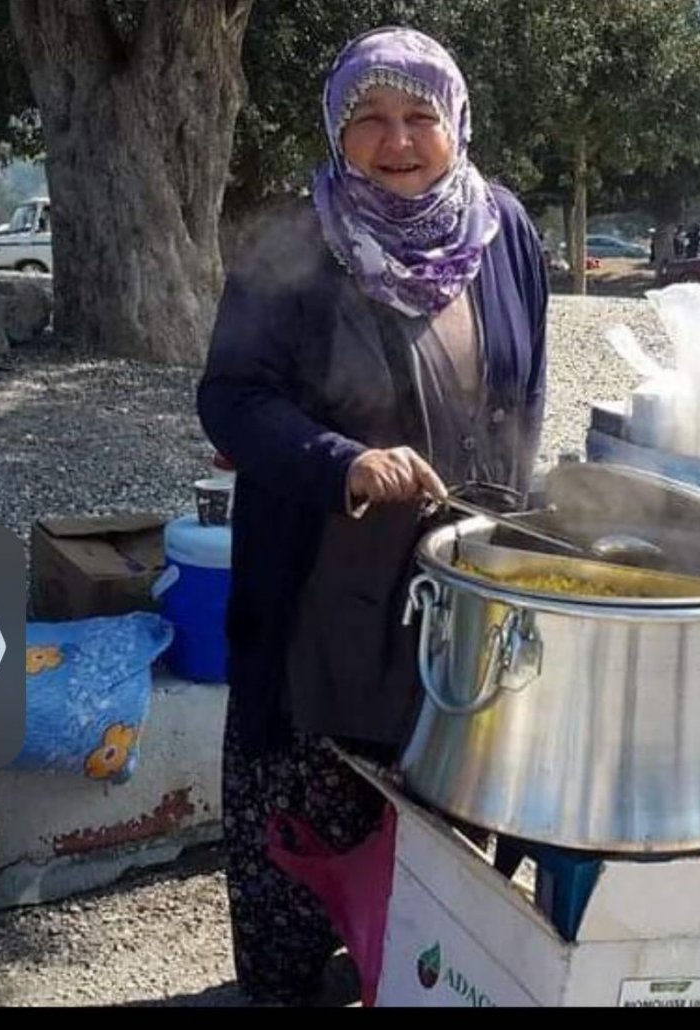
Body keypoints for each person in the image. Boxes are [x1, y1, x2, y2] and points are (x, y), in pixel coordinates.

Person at [197, 26, 548, 1007]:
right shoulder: (299, 242)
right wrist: (343, 460)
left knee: (439, 840)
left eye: (418, 116)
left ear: (456, 123)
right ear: (336, 131)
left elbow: (523, 387)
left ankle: (408, 974)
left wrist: (517, 520)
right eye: (370, 120)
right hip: (322, 586)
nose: (397, 141)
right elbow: (230, 398)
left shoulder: (504, 229)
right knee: (300, 843)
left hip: (458, 592)